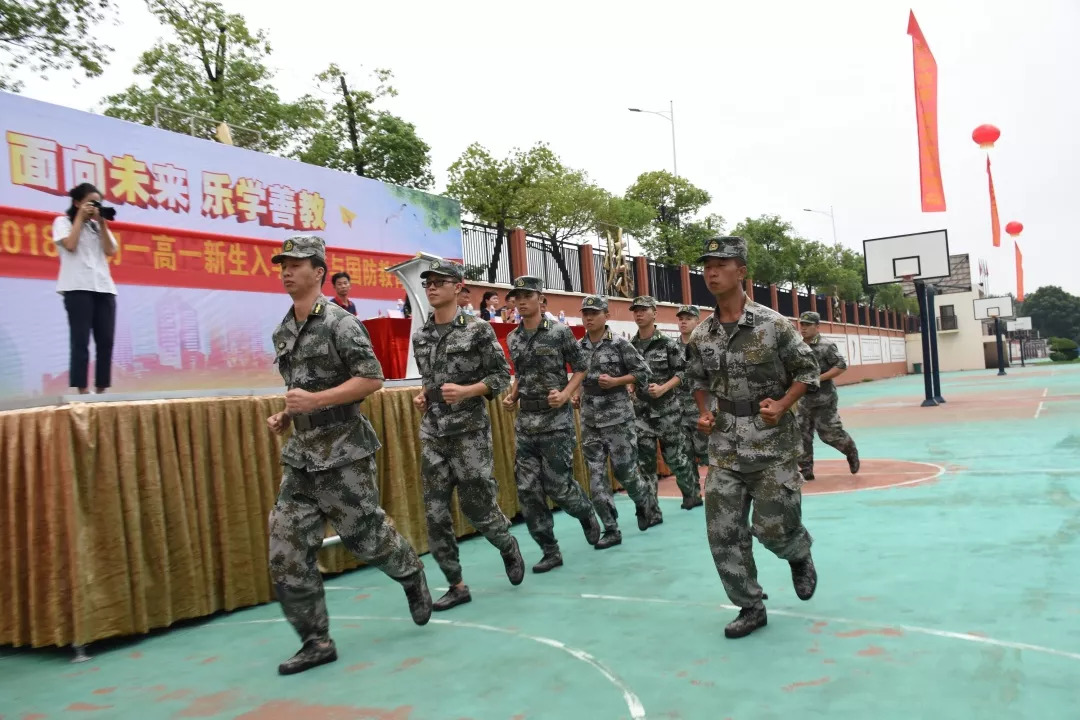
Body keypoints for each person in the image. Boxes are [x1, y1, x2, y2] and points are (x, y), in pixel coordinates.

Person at [266, 235, 432, 675]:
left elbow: (371, 379)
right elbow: (303, 389)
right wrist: (288, 414)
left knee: (366, 537)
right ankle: (316, 640)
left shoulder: (341, 323)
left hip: (343, 452)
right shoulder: (283, 330)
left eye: (295, 264)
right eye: (282, 264)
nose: (285, 271)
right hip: (301, 456)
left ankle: (410, 572)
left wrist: (315, 403)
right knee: (285, 547)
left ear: (318, 272)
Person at [684, 236, 820, 639]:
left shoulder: (772, 324)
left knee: (773, 527)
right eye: (706, 265)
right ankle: (750, 605)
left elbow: (807, 372)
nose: (710, 272)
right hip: (724, 445)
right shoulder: (702, 334)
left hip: (771, 443)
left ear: (741, 271)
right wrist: (704, 412)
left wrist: (782, 404)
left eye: (720, 265)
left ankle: (797, 553)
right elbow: (697, 380)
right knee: (723, 532)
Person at [411, 260, 525, 610]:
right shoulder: (421, 335)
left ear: (458, 288)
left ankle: (507, 544)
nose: (431, 288)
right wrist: (424, 395)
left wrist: (467, 391)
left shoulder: (477, 330)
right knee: (435, 513)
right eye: (427, 282)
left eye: (439, 282)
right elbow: (432, 381)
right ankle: (456, 584)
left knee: (477, 507)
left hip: (469, 434)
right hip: (434, 433)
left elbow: (500, 377)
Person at [503, 275, 601, 572]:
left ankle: (585, 512)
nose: (520, 301)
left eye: (527, 295)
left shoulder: (559, 333)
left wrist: (567, 394)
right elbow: (521, 373)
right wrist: (513, 395)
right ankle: (550, 549)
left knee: (559, 487)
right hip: (526, 423)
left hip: (556, 420)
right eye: (517, 296)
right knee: (528, 490)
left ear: (540, 299)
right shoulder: (513, 337)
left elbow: (582, 367)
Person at [573, 295, 661, 547]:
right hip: (590, 419)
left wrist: (617, 382)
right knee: (596, 479)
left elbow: (644, 373)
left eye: (594, 313)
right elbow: (577, 376)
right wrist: (576, 395)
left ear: (606, 316)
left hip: (618, 418)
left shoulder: (621, 344)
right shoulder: (579, 347)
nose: (588, 318)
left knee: (626, 472)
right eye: (585, 313)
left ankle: (644, 502)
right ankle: (611, 529)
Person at [630, 296, 701, 511]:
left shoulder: (668, 344)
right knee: (645, 463)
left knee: (676, 459)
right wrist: (629, 386)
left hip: (667, 412)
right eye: (636, 310)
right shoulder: (630, 346)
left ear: (654, 313)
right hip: (641, 413)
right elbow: (628, 374)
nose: (639, 314)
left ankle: (691, 494)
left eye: (643, 310)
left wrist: (663, 388)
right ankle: (651, 509)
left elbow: (682, 372)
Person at [52, 183, 118, 394]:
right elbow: (70, 245)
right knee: (80, 339)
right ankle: (82, 389)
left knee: (105, 340)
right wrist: (80, 217)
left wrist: (103, 223)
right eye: (90, 202)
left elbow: (110, 251)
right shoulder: (62, 222)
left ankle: (101, 389)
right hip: (77, 288)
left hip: (104, 288)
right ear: (77, 202)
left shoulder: (98, 226)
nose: (94, 207)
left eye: (97, 203)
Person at [796, 311, 860, 480]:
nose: (803, 328)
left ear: (817, 327)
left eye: (808, 325)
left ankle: (850, 450)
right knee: (801, 435)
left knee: (829, 435)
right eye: (802, 324)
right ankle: (806, 469)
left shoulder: (826, 346)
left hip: (824, 399)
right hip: (802, 400)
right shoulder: (796, 346)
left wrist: (819, 378)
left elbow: (841, 365)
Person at [676, 305, 710, 468]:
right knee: (685, 460)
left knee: (708, 457)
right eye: (681, 319)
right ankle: (691, 494)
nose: (683, 323)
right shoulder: (671, 348)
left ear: (697, 321)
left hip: (701, 410)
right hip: (679, 412)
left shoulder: (706, 347)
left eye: (688, 319)